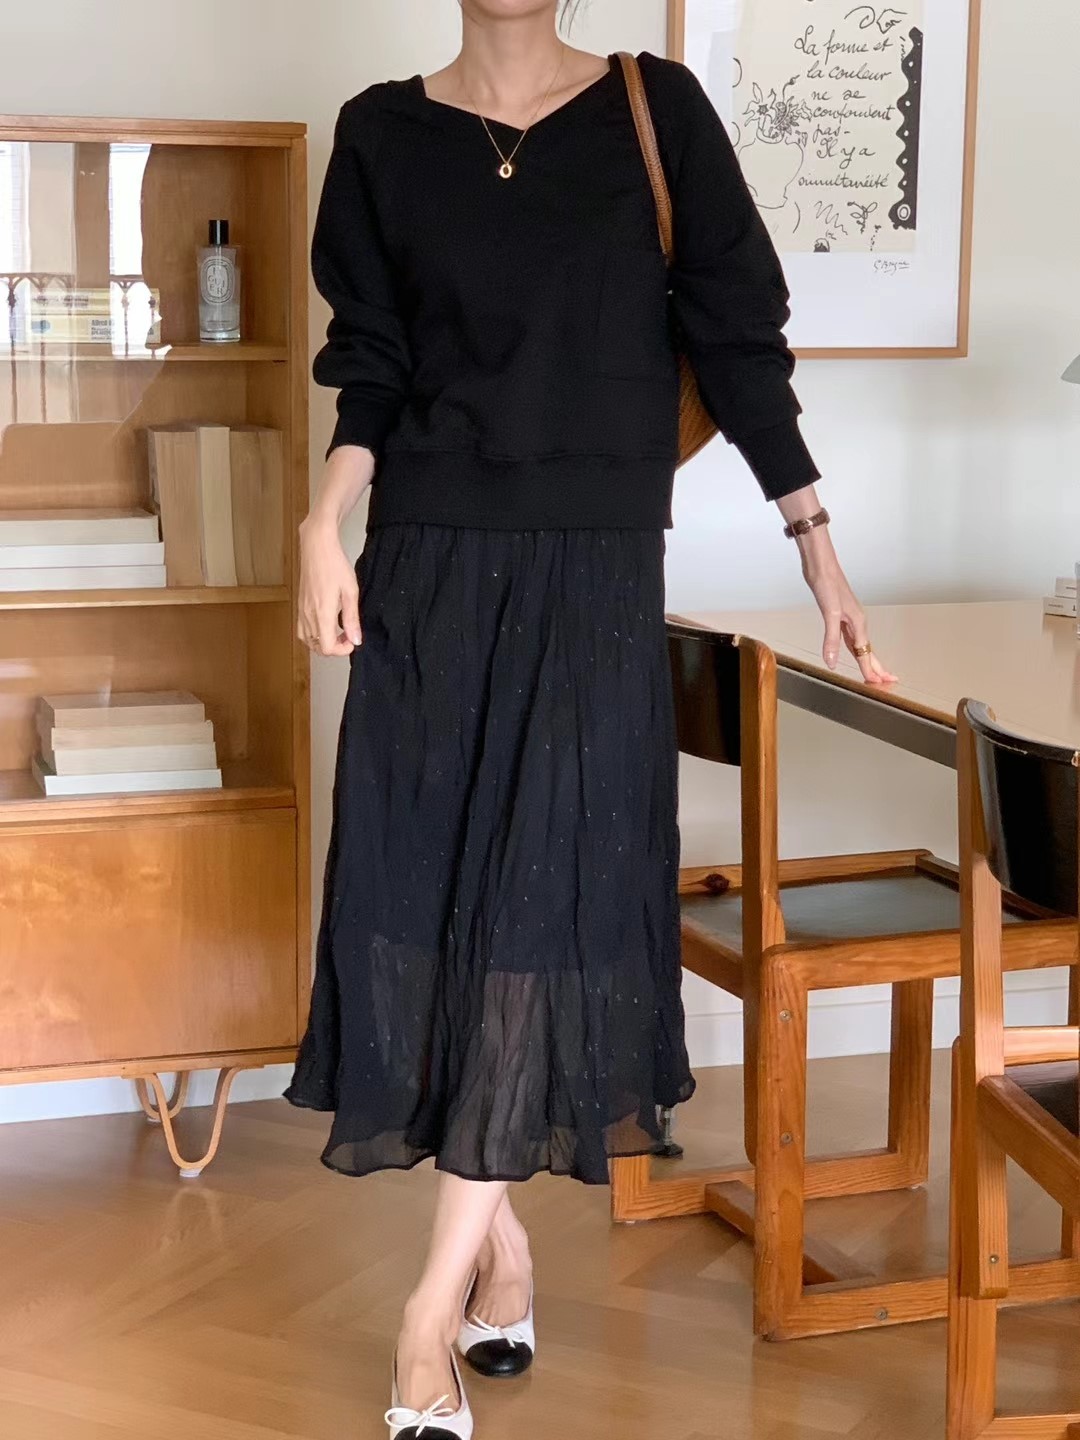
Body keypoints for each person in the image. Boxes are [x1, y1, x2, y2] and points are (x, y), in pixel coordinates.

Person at [285, 2, 897, 1435]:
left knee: (537, 902)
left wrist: (816, 545)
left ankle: (429, 1312)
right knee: (416, 900)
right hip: (425, 564)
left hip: (593, 574)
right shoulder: (381, 134)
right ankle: (501, 1251)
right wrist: (325, 521)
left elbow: (737, 340)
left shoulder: (654, 112)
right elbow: (371, 358)